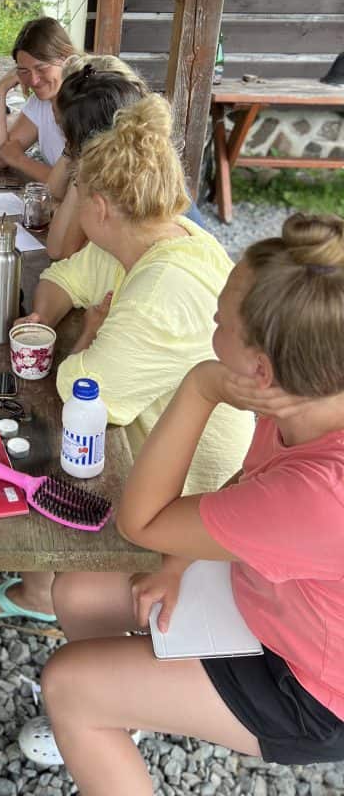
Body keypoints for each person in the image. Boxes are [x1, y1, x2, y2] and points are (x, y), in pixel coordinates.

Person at [42, 212, 344, 793]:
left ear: (259, 370)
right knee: (78, 590)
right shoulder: (309, 394)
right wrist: (179, 561)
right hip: (276, 597)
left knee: (67, 685)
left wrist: (201, 386)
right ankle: (127, 706)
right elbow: (244, 487)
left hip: (310, 684)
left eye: (219, 321)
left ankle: (99, 708)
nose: (212, 323)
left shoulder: (319, 492)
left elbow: (141, 522)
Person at [0, 93, 253, 622]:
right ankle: (37, 585)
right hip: (158, 454)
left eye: (78, 197)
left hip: (191, 493)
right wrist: (44, 317)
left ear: (98, 207)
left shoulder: (158, 292)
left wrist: (85, 339)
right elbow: (64, 276)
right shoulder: (162, 235)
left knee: (42, 456)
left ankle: (50, 593)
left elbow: (87, 395)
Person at [46, 58, 204, 260]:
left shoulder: (118, 175)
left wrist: (77, 164)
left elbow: (60, 251)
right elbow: (52, 194)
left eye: (63, 127)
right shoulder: (137, 154)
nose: (62, 135)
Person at [0, 16, 77, 182]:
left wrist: (20, 160)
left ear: (65, 57)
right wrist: (1, 90)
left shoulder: (88, 103)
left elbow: (76, 186)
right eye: (24, 71)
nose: (33, 80)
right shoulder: (41, 102)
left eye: (41, 68)